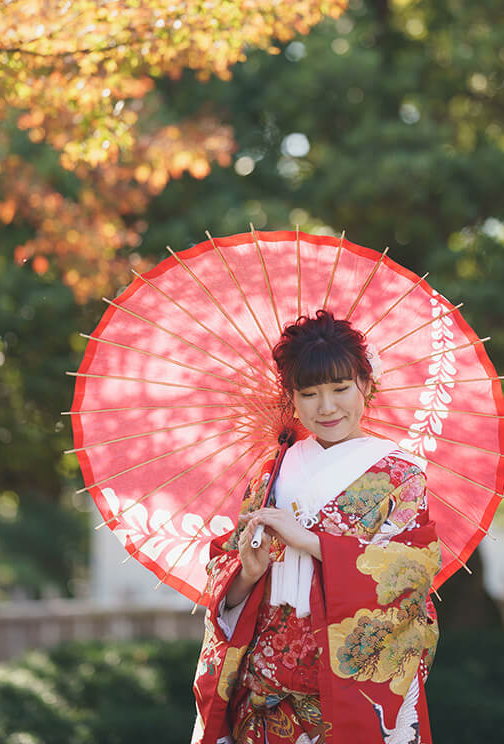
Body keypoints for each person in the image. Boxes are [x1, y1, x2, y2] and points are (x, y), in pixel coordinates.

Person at [191, 310, 441, 744]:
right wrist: (246, 573)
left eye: (341, 388)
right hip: (263, 699)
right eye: (308, 394)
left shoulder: (399, 476)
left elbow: (410, 576)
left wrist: (312, 541)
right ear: (291, 396)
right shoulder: (272, 472)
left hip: (343, 696)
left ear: (366, 383)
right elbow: (226, 573)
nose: (326, 407)